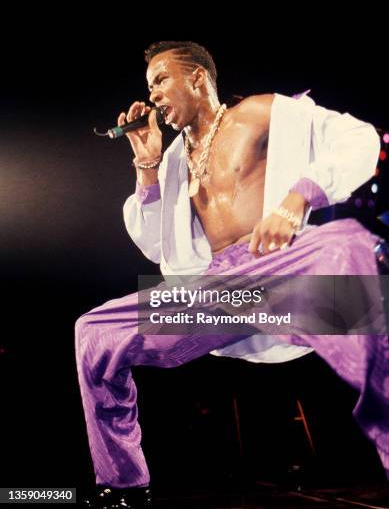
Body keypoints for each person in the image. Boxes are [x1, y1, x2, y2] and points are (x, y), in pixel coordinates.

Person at [76, 41, 388, 508]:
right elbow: (158, 246)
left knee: (347, 246)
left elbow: (358, 138)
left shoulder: (260, 113)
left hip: (281, 274)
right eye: (149, 86)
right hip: (217, 296)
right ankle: (123, 485)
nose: (154, 95)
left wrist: (296, 198)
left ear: (197, 78)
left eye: (160, 80)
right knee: (94, 331)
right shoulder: (176, 156)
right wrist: (147, 162)